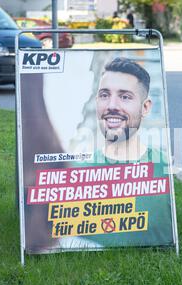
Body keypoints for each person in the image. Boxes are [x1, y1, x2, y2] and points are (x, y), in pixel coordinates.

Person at [76, 57, 174, 248]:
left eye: (125, 96)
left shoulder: (163, 167)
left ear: (145, 107)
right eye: (104, 95)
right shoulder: (78, 172)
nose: (112, 105)